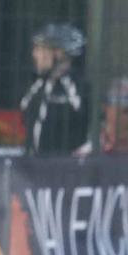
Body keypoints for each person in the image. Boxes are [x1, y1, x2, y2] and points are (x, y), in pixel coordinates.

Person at [21, 22, 90, 155]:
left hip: (66, 169)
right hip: (31, 167)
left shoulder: (79, 89)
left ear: (59, 53)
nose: (35, 55)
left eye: (40, 49)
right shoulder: (36, 86)